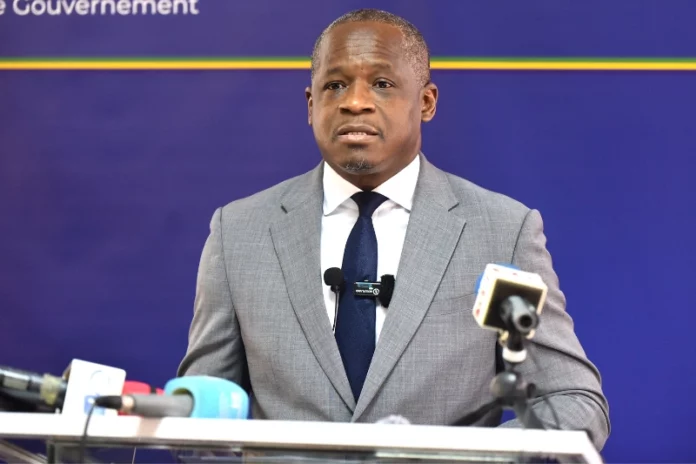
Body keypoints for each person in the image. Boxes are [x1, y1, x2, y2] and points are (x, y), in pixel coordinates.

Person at [177, 8, 610, 450]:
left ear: (426, 102)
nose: (354, 102)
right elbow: (198, 423)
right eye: (334, 85)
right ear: (311, 105)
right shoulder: (239, 231)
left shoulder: (502, 230)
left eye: (382, 84)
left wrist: (464, 460)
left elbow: (574, 402)